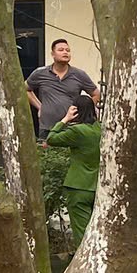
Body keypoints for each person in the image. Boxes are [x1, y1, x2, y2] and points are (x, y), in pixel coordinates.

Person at [44, 95, 101, 240]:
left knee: (82, 233)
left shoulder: (78, 131)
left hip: (78, 186)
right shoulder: (100, 129)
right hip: (97, 186)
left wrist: (65, 119)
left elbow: (51, 139)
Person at [26, 38, 98, 137]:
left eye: (67, 50)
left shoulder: (79, 74)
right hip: (47, 128)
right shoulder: (40, 73)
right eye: (61, 50)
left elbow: (96, 94)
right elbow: (26, 89)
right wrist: (40, 107)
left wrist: (83, 112)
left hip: (71, 128)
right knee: (47, 152)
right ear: (52, 54)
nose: (65, 52)